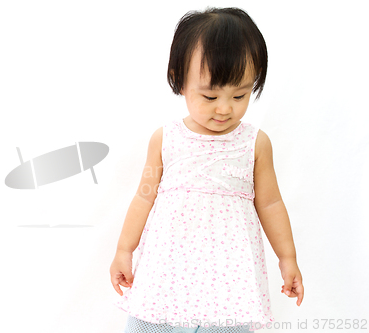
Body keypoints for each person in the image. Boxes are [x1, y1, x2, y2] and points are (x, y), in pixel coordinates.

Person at [109, 7, 304, 333]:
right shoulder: (165, 139)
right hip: (167, 272)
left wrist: (287, 258)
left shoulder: (255, 143)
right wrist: (123, 250)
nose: (225, 108)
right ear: (179, 80)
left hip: (229, 279)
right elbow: (143, 199)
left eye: (240, 94)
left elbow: (270, 204)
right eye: (210, 95)